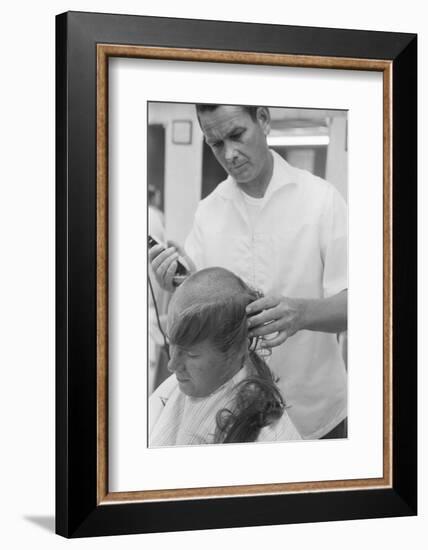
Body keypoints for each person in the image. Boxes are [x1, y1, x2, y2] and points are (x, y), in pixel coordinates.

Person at [149, 104, 347, 440]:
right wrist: (176, 282)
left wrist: (302, 313)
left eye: (237, 135)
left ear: (264, 119)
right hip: (237, 422)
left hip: (317, 414)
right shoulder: (208, 213)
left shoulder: (322, 201)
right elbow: (204, 300)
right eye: (215, 143)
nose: (230, 154)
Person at [149, 267, 301, 446]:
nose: (172, 365)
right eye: (171, 343)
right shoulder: (181, 385)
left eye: (192, 354)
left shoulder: (266, 440)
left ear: (236, 351)